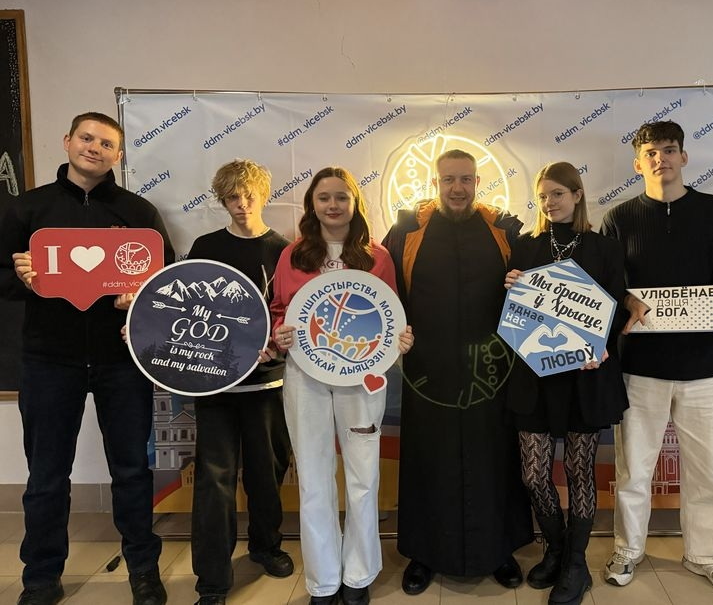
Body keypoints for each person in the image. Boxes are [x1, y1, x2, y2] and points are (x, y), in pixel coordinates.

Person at [0, 112, 173, 605]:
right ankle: (40, 578)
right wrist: (23, 278)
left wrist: (140, 298)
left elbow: (166, 283)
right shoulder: (29, 208)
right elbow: (1, 277)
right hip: (48, 360)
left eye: (106, 143)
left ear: (118, 155)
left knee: (132, 471)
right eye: (86, 138)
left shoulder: (138, 211)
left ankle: (143, 570)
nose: (94, 148)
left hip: (122, 360)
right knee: (47, 476)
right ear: (68, 141)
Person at [599, 120, 713, 599]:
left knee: (708, 472)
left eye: (669, 150)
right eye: (651, 153)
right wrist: (625, 299)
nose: (661, 159)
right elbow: (607, 286)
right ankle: (628, 550)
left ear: (684, 157)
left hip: (701, 366)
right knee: (634, 470)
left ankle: (705, 556)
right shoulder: (618, 218)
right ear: (638, 163)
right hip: (640, 367)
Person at [383, 149, 533, 596]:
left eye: (466, 179)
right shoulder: (406, 230)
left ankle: (499, 549)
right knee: (428, 461)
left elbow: (535, 290)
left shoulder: (504, 229)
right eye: (449, 179)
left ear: (477, 182)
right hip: (427, 372)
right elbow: (384, 293)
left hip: (492, 370)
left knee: (495, 459)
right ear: (435, 183)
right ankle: (424, 554)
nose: (457, 188)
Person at [269, 167, 414, 605]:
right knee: (313, 478)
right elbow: (279, 310)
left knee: (363, 477)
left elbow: (391, 315)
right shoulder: (292, 255)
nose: (333, 205)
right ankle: (323, 581)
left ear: (354, 203)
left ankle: (358, 575)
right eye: (324, 197)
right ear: (312, 204)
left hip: (361, 379)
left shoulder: (377, 257)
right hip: (305, 376)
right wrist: (279, 333)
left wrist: (401, 338)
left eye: (341, 197)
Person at [504, 162, 629, 605]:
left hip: (585, 376)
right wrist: (511, 286)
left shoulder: (605, 248)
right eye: (542, 196)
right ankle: (555, 549)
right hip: (535, 377)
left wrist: (602, 344)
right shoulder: (525, 247)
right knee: (533, 474)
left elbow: (616, 307)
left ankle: (576, 564)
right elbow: (513, 314)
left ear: (577, 195)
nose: (549, 203)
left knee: (580, 473)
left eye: (557, 193)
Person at [186, 160, 294, 605]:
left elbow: (291, 312)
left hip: (267, 383)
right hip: (214, 386)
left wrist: (277, 343)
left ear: (263, 195)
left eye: (249, 195)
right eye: (233, 196)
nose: (242, 203)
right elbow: (185, 308)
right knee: (214, 481)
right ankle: (212, 579)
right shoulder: (205, 246)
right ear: (222, 200)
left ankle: (266, 546)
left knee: (267, 473)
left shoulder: (284, 251)